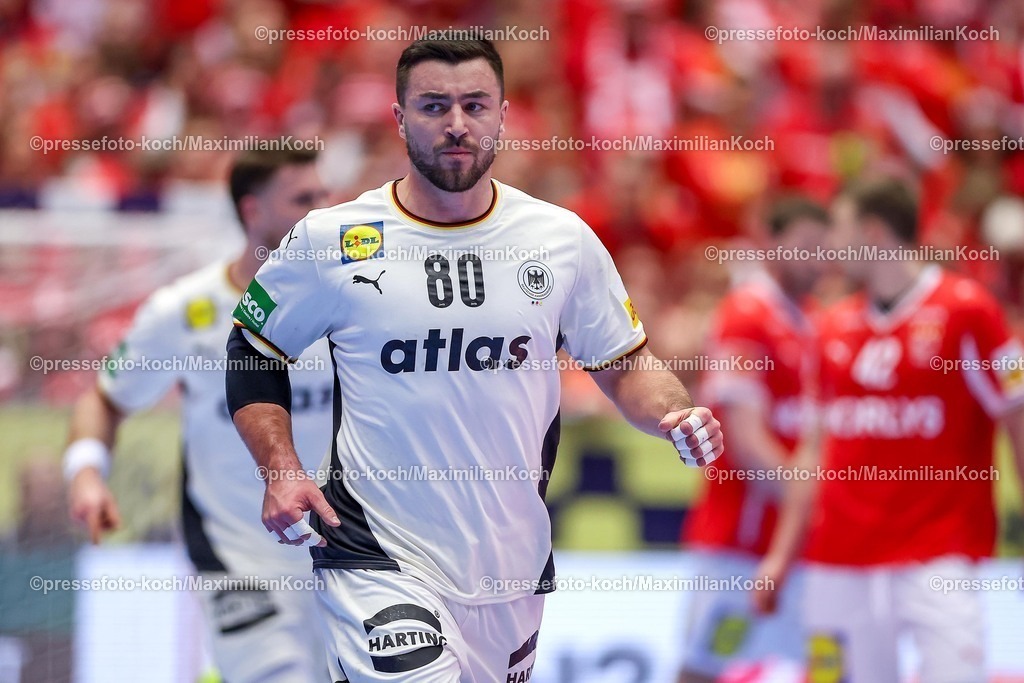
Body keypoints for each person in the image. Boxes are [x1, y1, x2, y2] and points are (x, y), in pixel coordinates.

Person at [225, 38, 723, 683]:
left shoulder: (560, 239)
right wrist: (280, 468)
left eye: (474, 104)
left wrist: (676, 415)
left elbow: (624, 363)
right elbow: (253, 346)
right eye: (434, 106)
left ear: (503, 114)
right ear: (400, 117)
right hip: (378, 553)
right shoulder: (333, 240)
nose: (456, 124)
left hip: (509, 565)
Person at [65, 147, 335, 683]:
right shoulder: (185, 312)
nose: (323, 211)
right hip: (236, 558)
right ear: (253, 210)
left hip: (346, 550)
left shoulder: (349, 301)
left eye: (324, 195)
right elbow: (105, 398)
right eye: (305, 199)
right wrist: (86, 473)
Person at [763, 177, 1024, 682]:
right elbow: (813, 453)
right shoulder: (831, 326)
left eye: (839, 229)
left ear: (874, 231)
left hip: (936, 557)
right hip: (836, 559)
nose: (832, 247)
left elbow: (1017, 413)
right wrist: (780, 554)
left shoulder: (969, 311)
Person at [677, 197, 828, 682]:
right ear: (772, 244)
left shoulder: (817, 322)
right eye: (804, 245)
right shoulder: (745, 317)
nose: (815, 258)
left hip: (799, 550)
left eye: (822, 248)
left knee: (829, 667)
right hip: (738, 548)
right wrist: (817, 505)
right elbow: (746, 441)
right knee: (706, 669)